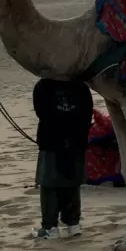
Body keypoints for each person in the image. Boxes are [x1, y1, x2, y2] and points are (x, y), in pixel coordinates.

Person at [31, 77, 94, 240]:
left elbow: (42, 113)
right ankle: (73, 223)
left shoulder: (43, 86)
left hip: (53, 141)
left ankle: (51, 227)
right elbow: (87, 115)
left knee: (49, 184)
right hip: (74, 140)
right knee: (71, 182)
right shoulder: (80, 86)